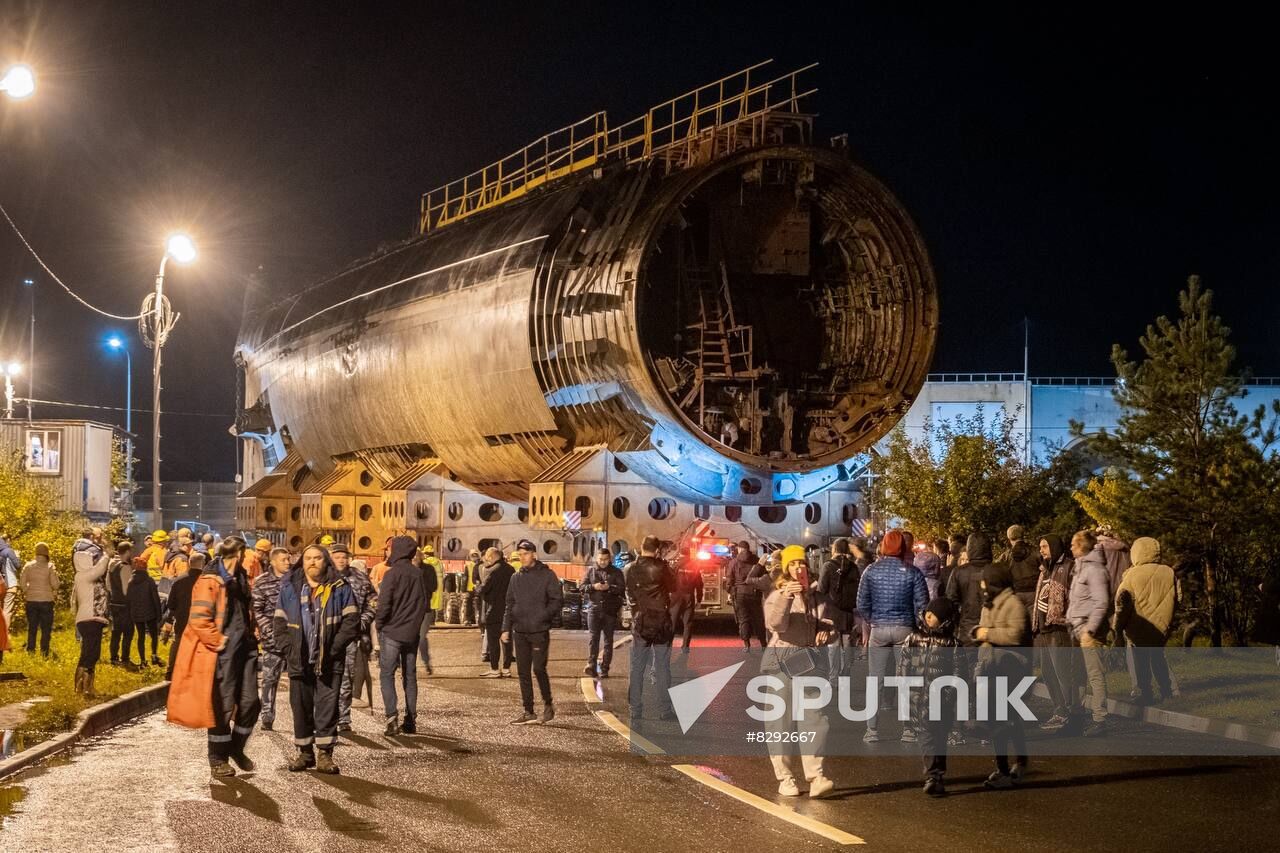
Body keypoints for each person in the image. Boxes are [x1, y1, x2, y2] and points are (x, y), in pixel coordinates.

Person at [166, 536, 261, 779]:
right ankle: (218, 758)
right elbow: (199, 619)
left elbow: (245, 611)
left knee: (250, 703)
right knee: (221, 707)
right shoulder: (209, 581)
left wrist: (253, 635)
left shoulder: (239, 579)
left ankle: (236, 749)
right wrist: (219, 642)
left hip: (244, 650)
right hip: (221, 654)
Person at [274, 545, 359, 773]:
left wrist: (334, 649)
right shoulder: (290, 588)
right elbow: (279, 624)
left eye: (318, 558)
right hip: (298, 659)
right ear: (302, 562)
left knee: (327, 708)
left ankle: (324, 754)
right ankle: (304, 753)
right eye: (308, 558)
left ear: (325, 561)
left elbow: (351, 622)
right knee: (300, 708)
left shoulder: (340, 587)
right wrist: (289, 650)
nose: (312, 562)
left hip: (329, 660)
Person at [763, 545, 836, 799]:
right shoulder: (777, 595)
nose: (799, 568)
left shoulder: (817, 597)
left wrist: (827, 633)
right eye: (793, 565)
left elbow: (829, 623)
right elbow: (775, 624)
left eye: (802, 564)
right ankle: (785, 778)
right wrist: (786, 597)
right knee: (780, 723)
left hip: (810, 663)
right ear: (786, 569)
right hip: (781, 662)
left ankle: (816, 776)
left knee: (815, 720)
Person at [856, 529, 928, 743]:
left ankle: (872, 730)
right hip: (905, 629)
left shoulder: (870, 570)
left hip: (879, 629)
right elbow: (922, 606)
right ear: (903, 548)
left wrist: (872, 619)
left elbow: (861, 603)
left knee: (875, 680)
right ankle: (908, 729)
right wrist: (916, 624)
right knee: (906, 680)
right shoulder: (913, 572)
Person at [975, 563, 1030, 788]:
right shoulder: (990, 604)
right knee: (999, 720)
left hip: (1012, 670)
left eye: (985, 581)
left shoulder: (1014, 604)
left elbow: (1016, 635)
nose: (982, 585)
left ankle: (1013, 766)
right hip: (992, 668)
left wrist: (986, 633)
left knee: (1006, 719)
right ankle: (1005, 766)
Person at [899, 597, 960, 796]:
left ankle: (938, 775)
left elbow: (959, 673)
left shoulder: (952, 644)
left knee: (940, 736)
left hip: (941, 699)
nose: (928, 616)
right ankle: (933, 775)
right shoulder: (914, 638)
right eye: (927, 613)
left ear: (943, 620)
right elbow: (904, 663)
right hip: (917, 697)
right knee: (925, 735)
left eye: (933, 615)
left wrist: (950, 694)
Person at [502, 539, 562, 725]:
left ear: (534, 554)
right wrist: (505, 628)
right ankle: (528, 710)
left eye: (525, 553)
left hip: (539, 630)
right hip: (520, 631)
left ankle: (548, 703)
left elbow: (557, 600)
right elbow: (509, 604)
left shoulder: (547, 575)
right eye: (520, 554)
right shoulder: (515, 577)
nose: (522, 557)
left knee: (538, 668)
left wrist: (543, 615)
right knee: (522, 672)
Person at [375, 536, 430, 735]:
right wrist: (414, 625)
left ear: (397, 550)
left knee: (387, 675)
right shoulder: (418, 574)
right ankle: (411, 720)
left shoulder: (392, 574)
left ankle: (391, 718)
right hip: (411, 633)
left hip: (391, 632)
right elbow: (424, 604)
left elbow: (384, 604)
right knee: (409, 676)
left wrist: (380, 625)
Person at [1114, 536, 1176, 704]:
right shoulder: (1169, 572)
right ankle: (1166, 690)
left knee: (1141, 662)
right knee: (1158, 658)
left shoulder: (1131, 575)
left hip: (1138, 627)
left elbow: (1122, 604)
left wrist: (1118, 628)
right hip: (1162, 626)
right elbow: (1179, 597)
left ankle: (1146, 692)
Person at [626, 535, 677, 723]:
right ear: (657, 550)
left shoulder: (631, 568)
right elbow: (674, 586)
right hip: (661, 622)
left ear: (641, 547)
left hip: (641, 621)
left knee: (637, 667)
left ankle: (635, 709)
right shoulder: (662, 568)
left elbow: (630, 592)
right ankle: (665, 710)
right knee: (662, 666)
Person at [1032, 535, 1079, 731]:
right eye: (1040, 546)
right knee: (1048, 672)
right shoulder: (1045, 569)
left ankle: (1071, 712)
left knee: (1063, 673)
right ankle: (1059, 710)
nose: (1041, 550)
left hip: (1058, 628)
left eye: (1045, 546)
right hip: (1043, 629)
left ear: (1054, 546)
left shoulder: (1068, 566)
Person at [1067, 530, 1111, 737]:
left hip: (1088, 631)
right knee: (1079, 676)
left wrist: (1089, 629)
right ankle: (1079, 716)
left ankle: (1100, 718)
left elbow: (1101, 602)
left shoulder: (1095, 570)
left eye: (1073, 545)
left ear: (1082, 546)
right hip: (1077, 628)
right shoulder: (1080, 568)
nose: (1070, 548)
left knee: (1095, 675)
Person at [332, 542, 377, 732]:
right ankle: (327, 716)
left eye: (344, 557)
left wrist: (363, 622)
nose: (341, 560)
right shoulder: (323, 577)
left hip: (350, 635)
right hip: (328, 635)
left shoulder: (359, 577)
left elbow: (373, 602)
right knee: (327, 677)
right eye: (337, 557)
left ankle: (343, 718)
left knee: (346, 676)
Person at [252, 547, 290, 730]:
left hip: (294, 638)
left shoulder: (296, 581)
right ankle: (267, 715)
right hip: (272, 639)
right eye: (284, 559)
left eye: (288, 559)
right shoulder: (262, 582)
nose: (288, 562)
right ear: (273, 561)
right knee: (269, 678)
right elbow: (257, 610)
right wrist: (267, 631)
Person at [69, 532, 111, 695]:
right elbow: (100, 569)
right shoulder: (84, 575)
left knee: (90, 653)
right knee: (90, 654)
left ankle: (84, 687)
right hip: (90, 618)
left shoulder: (82, 576)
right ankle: (84, 688)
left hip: (91, 618)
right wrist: (107, 553)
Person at [816, 538, 861, 677]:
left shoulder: (828, 566)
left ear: (834, 549)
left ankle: (834, 677)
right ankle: (846, 672)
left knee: (833, 646)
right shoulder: (854, 567)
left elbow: (821, 589)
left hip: (831, 611)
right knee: (847, 643)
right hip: (848, 612)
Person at [581, 547, 625, 676]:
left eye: (605, 559)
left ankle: (605, 668)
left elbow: (622, 589)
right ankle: (592, 665)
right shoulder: (591, 571)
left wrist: (609, 588)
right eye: (600, 559)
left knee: (608, 640)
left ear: (609, 559)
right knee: (593, 638)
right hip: (594, 609)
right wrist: (593, 586)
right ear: (596, 558)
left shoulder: (616, 572)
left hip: (610, 611)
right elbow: (582, 587)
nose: (603, 562)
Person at [165, 551, 205, 680]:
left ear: (189, 563)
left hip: (182, 620)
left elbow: (171, 604)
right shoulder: (205, 581)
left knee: (177, 643)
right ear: (203, 564)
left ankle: (170, 672)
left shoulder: (179, 580)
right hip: (200, 621)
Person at [478, 547, 515, 677]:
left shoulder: (492, 570)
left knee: (493, 641)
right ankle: (506, 668)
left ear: (493, 557)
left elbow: (484, 588)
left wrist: (478, 588)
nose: (487, 560)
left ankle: (494, 669)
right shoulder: (511, 570)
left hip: (493, 610)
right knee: (506, 639)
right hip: (508, 610)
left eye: (488, 558)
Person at [726, 541, 768, 651]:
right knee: (758, 619)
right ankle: (763, 644)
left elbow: (729, 579)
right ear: (748, 549)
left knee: (743, 619)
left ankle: (746, 645)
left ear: (740, 549)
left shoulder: (734, 562)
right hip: (754, 593)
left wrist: (729, 592)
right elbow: (764, 575)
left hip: (739, 594)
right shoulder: (756, 560)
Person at [20, 542, 58, 656]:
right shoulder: (50, 566)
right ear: (47, 552)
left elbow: (22, 583)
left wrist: (28, 590)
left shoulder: (28, 565)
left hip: (31, 601)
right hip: (46, 601)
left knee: (32, 627)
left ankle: (31, 650)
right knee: (46, 628)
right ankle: (44, 651)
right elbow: (55, 584)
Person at [127, 558, 163, 666]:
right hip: (150, 612)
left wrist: (131, 612)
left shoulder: (131, 582)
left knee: (141, 636)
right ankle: (154, 655)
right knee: (154, 635)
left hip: (137, 613)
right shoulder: (149, 580)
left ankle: (142, 660)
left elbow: (128, 598)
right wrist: (159, 614)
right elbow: (155, 598)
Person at [107, 541, 137, 664]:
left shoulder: (111, 565)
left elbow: (108, 585)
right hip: (125, 604)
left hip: (114, 602)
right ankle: (125, 658)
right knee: (128, 632)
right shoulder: (125, 566)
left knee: (116, 632)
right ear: (128, 552)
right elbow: (127, 588)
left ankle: (113, 657)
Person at [670, 550, 703, 654]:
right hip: (689, 597)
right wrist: (699, 599)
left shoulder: (676, 565)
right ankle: (685, 647)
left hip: (676, 596)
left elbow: (669, 580)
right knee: (688, 623)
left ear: (681, 554)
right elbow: (699, 585)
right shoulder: (695, 566)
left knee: (672, 622)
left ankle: (668, 646)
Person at [1002, 525, 1041, 613]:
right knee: (1034, 623)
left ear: (1009, 537)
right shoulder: (1036, 551)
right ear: (1022, 535)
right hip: (1034, 593)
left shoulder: (1006, 556)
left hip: (1015, 593)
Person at [418, 545, 441, 675]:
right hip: (410, 611)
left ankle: (426, 663)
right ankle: (405, 666)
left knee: (421, 637)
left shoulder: (428, 569)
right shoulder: (407, 569)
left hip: (425, 609)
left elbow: (433, 586)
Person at [0, 531, 20, 630]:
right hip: (9, 584)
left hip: (1, 584)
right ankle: (4, 636)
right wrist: (17, 556)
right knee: (7, 610)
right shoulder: (9, 551)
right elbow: (17, 566)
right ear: (7, 540)